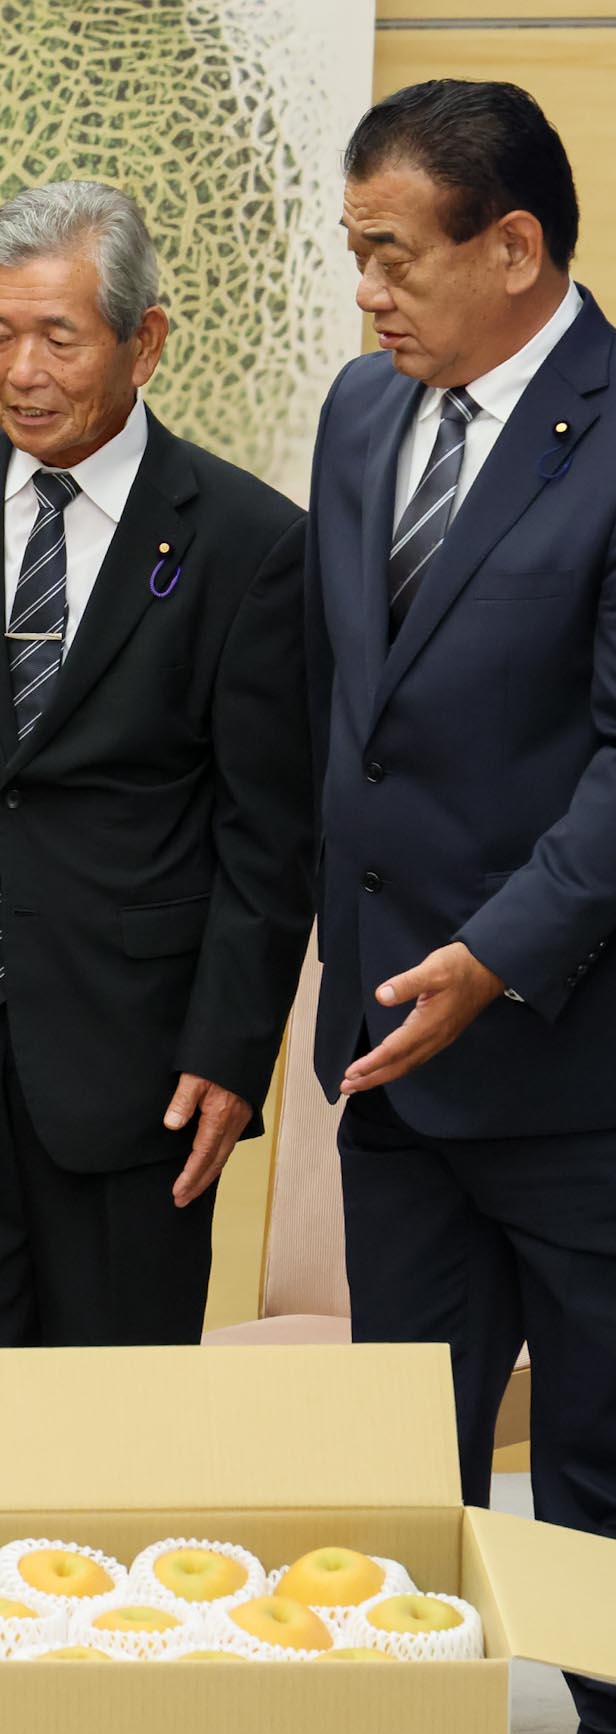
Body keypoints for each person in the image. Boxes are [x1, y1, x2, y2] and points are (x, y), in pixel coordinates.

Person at [0, 182, 311, 1734]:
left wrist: (232, 1054)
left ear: (144, 339)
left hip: (142, 1050)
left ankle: (99, 1696)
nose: (20, 370)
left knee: (108, 1405)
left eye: (57, 335)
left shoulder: (246, 538)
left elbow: (265, 831)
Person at [312, 80, 616, 1733]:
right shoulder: (362, 415)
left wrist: (497, 952)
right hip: (395, 1074)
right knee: (394, 1520)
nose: (367, 292)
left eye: (389, 255)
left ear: (512, 247)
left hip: (577, 1074)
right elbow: (333, 716)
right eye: (351, 253)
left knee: (595, 1511)